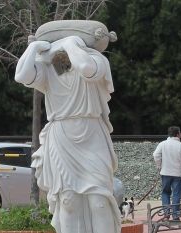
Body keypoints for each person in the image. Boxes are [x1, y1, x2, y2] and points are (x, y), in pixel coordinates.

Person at [14, 34, 120, 233]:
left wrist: (71, 42)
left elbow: (86, 69)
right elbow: (21, 75)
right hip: (61, 136)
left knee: (99, 199)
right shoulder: (51, 68)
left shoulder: (96, 60)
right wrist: (34, 47)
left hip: (91, 133)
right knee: (68, 201)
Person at [153, 126, 181, 221]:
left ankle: (166, 214)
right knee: (176, 194)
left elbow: (156, 155)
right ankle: (176, 216)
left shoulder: (162, 144)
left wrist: (159, 165)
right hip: (177, 174)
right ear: (177, 134)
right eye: (180, 132)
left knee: (165, 193)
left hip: (165, 173)